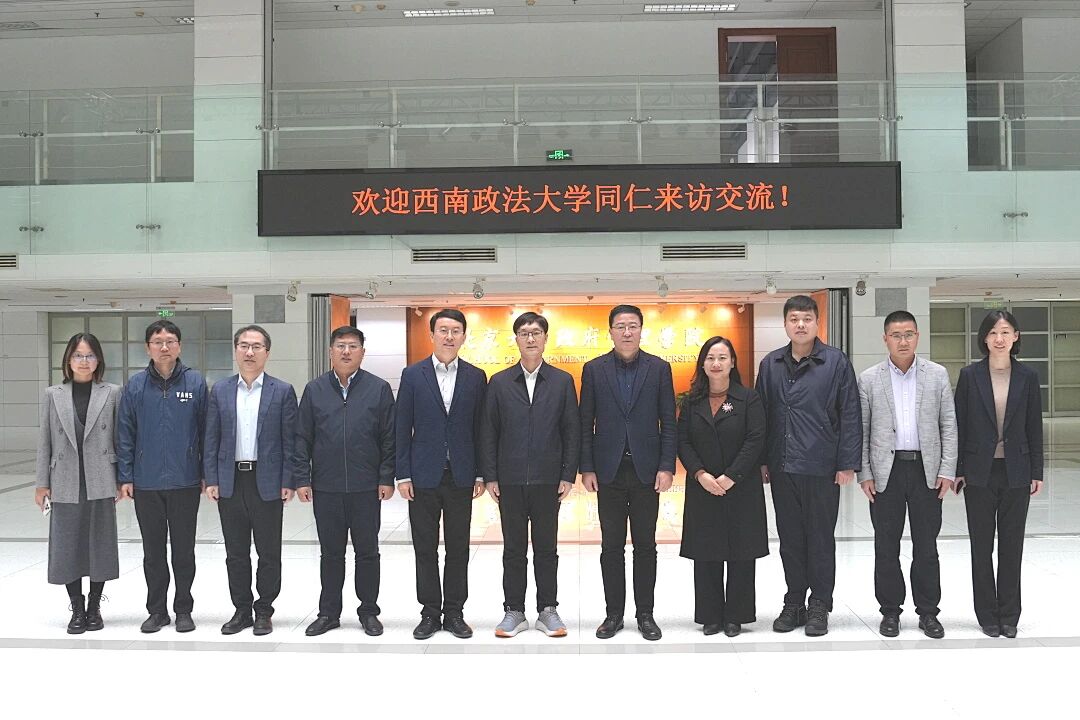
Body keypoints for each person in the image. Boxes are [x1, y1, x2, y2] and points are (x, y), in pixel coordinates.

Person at [756, 294, 861, 637]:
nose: (800, 325)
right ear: (785, 324)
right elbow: (761, 416)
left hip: (821, 466)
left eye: (807, 319)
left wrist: (847, 462)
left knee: (819, 539)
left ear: (818, 323)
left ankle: (819, 604)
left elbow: (850, 413)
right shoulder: (770, 364)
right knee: (789, 539)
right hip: (782, 465)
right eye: (794, 319)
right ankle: (794, 602)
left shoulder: (835, 362)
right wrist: (762, 460)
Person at [858, 311, 957, 639]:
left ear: (918, 336)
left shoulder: (937, 375)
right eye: (896, 335)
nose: (903, 341)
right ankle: (890, 611)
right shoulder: (869, 379)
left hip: (926, 471)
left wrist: (947, 470)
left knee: (926, 546)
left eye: (909, 334)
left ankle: (928, 612)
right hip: (886, 472)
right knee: (885, 545)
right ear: (885, 339)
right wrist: (865, 473)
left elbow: (948, 424)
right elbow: (863, 429)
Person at [480, 311, 579, 638]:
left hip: (548, 480)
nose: (531, 338)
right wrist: (490, 475)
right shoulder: (500, 382)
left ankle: (548, 610)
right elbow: (489, 431)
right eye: (524, 333)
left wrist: (567, 474)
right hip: (509, 480)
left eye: (536, 332)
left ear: (545, 338)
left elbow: (571, 430)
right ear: (517, 339)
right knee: (513, 549)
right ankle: (514, 611)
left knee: (547, 548)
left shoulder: (562, 381)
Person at [580, 304, 676, 641]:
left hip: (647, 471)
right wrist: (587, 467)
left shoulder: (659, 368)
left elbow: (669, 421)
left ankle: (645, 614)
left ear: (641, 330)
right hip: (608, 471)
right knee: (611, 546)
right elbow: (585, 421)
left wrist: (667, 465)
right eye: (620, 326)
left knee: (646, 545)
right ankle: (613, 614)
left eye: (632, 325)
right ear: (610, 331)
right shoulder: (594, 369)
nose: (626, 332)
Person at [294, 326, 396, 637]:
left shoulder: (378, 389)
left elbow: (389, 437)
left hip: (366, 487)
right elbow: (302, 437)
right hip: (327, 487)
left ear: (363, 352)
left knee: (368, 553)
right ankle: (328, 613)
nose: (346, 351)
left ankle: (369, 612)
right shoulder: (315, 390)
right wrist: (302, 478)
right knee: (330, 554)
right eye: (340, 346)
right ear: (330, 351)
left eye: (353, 346)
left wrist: (386, 477)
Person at [396, 308, 487, 640]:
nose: (449, 336)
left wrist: (480, 473)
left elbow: (481, 428)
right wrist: (402, 474)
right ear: (431, 335)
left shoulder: (476, 377)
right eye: (443, 330)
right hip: (422, 475)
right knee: (425, 548)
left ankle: (455, 613)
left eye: (456, 331)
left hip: (461, 476)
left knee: (459, 548)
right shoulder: (412, 375)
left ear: (464, 336)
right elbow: (401, 425)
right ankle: (430, 613)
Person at [203, 325, 298, 636]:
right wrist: (211, 477)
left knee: (269, 552)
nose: (249, 352)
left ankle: (264, 610)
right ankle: (242, 609)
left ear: (267, 353)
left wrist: (288, 479)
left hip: (267, 480)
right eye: (243, 345)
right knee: (236, 552)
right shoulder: (220, 390)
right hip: (230, 480)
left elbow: (290, 440)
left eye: (256, 346)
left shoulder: (282, 391)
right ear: (235, 350)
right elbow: (211, 438)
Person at [953, 310, 1044, 638]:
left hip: (1016, 471)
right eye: (992, 333)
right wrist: (958, 470)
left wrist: (1037, 470)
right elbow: (959, 424)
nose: (999, 338)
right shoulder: (970, 375)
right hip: (979, 472)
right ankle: (987, 614)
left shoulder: (1028, 377)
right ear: (984, 338)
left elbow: (1034, 425)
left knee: (1012, 545)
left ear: (1016, 336)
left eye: (1005, 332)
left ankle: (1009, 614)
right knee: (981, 547)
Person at [117, 319, 208, 634]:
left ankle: (184, 609)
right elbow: (125, 433)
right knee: (153, 552)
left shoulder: (195, 383)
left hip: (185, 481)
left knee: (184, 552)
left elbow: (207, 432)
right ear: (148, 348)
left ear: (179, 346)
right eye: (157, 342)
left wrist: (206, 473)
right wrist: (125, 476)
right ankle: (157, 611)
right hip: (146, 482)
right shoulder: (135, 386)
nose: (164, 347)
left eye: (170, 341)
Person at [677, 336, 767, 637]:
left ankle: (736, 616)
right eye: (711, 358)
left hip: (741, 486)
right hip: (703, 486)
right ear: (703, 364)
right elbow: (683, 441)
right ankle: (710, 615)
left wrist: (731, 476)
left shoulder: (749, 398)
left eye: (722, 357)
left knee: (741, 551)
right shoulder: (691, 402)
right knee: (706, 550)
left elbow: (755, 439)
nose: (716, 363)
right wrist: (700, 474)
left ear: (732, 363)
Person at [35, 333, 122, 634]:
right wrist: (41, 483)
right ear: (68, 360)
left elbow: (120, 439)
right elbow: (44, 441)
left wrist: (123, 479)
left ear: (99, 360)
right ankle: (77, 606)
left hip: (101, 477)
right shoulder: (53, 394)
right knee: (67, 543)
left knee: (100, 542)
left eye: (90, 355)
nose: (84, 361)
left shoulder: (112, 392)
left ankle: (95, 606)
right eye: (78, 355)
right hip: (64, 478)